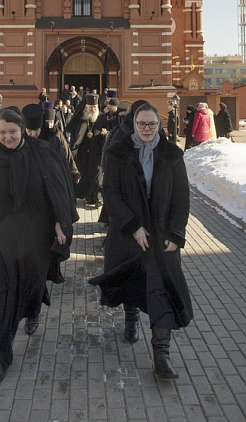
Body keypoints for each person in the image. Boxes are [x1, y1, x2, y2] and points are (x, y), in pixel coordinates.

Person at [0, 107, 77, 382]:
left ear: (22, 130)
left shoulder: (41, 152)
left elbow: (58, 190)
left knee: (31, 283)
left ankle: (32, 309)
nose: (7, 137)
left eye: (12, 132)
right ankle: (2, 349)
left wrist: (60, 221)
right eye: (2, 132)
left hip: (34, 236)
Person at [89, 102, 193, 380]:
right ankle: (131, 317)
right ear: (133, 124)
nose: (147, 129)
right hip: (128, 235)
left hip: (161, 238)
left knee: (162, 291)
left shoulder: (172, 154)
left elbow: (181, 196)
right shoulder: (118, 152)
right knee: (131, 281)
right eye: (142, 124)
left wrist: (176, 232)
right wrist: (132, 226)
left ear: (159, 125)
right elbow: (111, 192)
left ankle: (162, 355)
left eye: (152, 124)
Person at [66, 94, 107, 206]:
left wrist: (105, 134)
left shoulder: (102, 117)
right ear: (85, 106)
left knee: (96, 173)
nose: (93, 109)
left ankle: (95, 198)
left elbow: (108, 131)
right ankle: (85, 196)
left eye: (94, 107)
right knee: (84, 174)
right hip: (82, 151)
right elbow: (74, 133)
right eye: (90, 107)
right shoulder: (80, 117)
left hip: (96, 150)